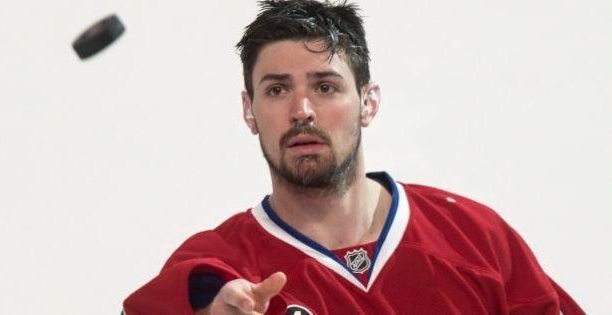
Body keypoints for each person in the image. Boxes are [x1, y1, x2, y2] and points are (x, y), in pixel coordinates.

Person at [123, 0, 584, 314]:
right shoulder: (224, 263)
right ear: (250, 111)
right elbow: (191, 288)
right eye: (278, 89)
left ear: (368, 102)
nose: (301, 111)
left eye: (325, 87)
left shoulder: (476, 237)